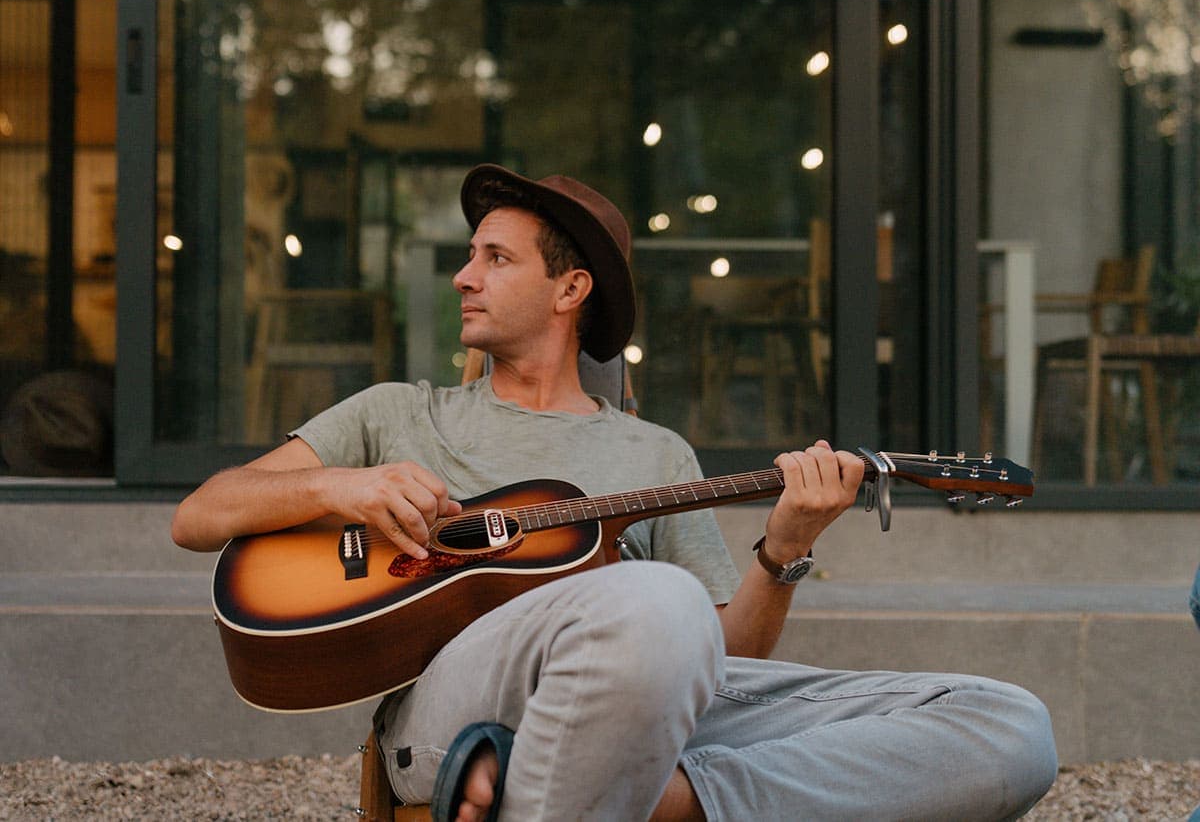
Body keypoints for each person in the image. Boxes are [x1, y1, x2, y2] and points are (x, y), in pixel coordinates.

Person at [173, 164, 1058, 821]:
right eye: (468, 257)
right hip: (458, 704)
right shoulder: (399, 412)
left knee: (1008, 726)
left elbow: (718, 658)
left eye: (493, 258)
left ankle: (638, 797)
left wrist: (785, 549)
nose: (462, 277)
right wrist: (346, 485)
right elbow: (202, 514)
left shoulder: (657, 452)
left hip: (651, 714)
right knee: (655, 597)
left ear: (570, 288)